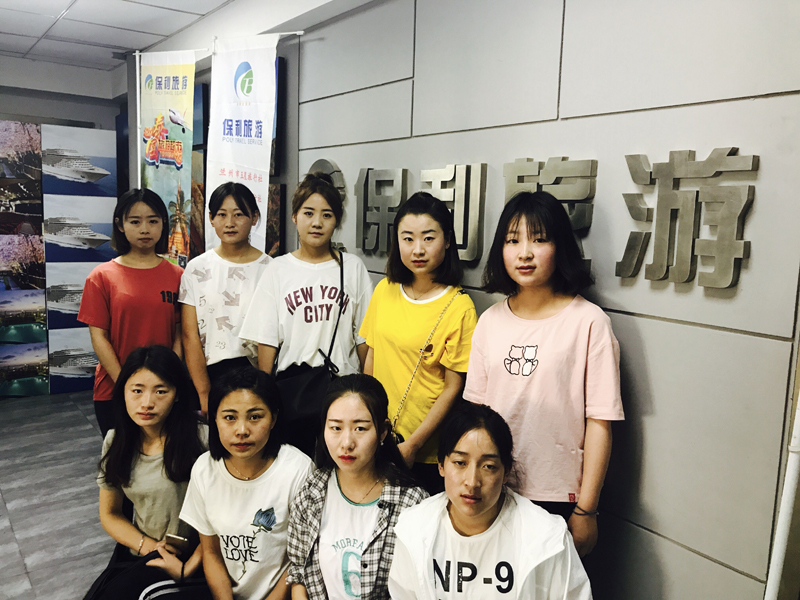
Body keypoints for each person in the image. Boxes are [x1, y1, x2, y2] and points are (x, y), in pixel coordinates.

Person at [462, 190, 625, 557]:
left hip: (558, 496)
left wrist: (586, 509)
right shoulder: (490, 321)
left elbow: (600, 423)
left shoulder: (589, 323)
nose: (525, 253)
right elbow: (474, 417)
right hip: (490, 488)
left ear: (560, 246)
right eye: (512, 240)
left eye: (539, 239)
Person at [388, 402, 592, 600]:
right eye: (460, 463)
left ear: (506, 472)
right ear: (441, 465)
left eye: (488, 466)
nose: (472, 482)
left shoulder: (546, 539)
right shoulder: (413, 529)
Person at [241, 172, 373, 455]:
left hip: (342, 392)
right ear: (294, 217)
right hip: (292, 392)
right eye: (308, 213)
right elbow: (267, 339)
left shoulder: (352, 268)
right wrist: (265, 398)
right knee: (295, 465)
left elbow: (364, 338)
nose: (317, 223)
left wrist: (369, 391)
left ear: (337, 220)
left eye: (327, 215)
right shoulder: (278, 269)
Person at [359, 192, 476, 494]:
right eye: (408, 239)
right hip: (377, 437)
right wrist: (368, 419)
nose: (418, 249)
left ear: (447, 241)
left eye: (428, 238)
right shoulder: (385, 289)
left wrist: (413, 444)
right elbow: (372, 355)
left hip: (424, 450)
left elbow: (453, 388)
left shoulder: (459, 307)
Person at [287, 374, 427, 600]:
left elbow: (419, 586)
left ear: (383, 431)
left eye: (360, 428)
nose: (347, 443)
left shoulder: (411, 504)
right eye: (335, 428)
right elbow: (298, 573)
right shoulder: (312, 491)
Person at [180, 366, 314, 600]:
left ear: (273, 418)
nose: (242, 430)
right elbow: (211, 552)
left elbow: (301, 558)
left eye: (255, 417)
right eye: (229, 418)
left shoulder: (298, 469)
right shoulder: (204, 469)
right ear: (214, 419)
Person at [91, 346, 207, 600]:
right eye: (137, 391)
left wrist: (190, 566)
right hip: (146, 552)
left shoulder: (202, 439)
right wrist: (149, 547)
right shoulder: (116, 440)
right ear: (123, 392)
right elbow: (110, 513)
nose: (146, 403)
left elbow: (226, 517)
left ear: (177, 395)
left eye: (160, 391)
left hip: (200, 557)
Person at [78, 188, 184, 435]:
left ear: (163, 224)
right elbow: (99, 338)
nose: (145, 229)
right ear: (120, 225)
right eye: (135, 222)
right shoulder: (101, 277)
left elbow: (180, 333)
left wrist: (168, 378)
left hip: (163, 389)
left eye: (153, 221)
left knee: (167, 454)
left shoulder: (178, 276)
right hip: (114, 388)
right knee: (120, 455)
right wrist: (127, 384)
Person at [180, 181, 271, 414]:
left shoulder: (271, 269)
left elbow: (273, 334)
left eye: (239, 214)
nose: (230, 223)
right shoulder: (196, 268)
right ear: (211, 218)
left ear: (254, 217)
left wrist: (265, 386)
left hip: (257, 372)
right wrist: (203, 392)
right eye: (222, 214)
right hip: (211, 374)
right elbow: (190, 335)